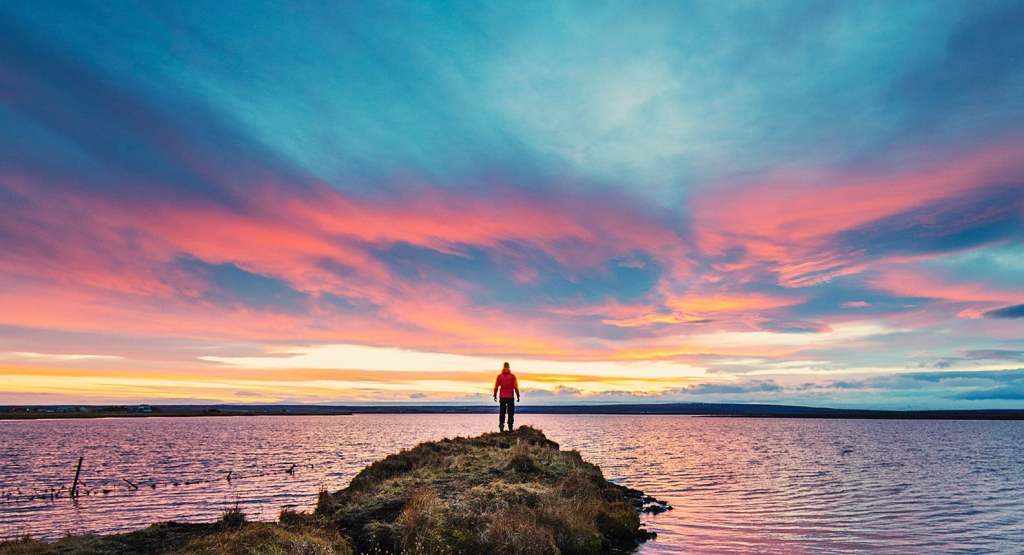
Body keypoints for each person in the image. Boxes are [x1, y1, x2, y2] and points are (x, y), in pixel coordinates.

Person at [493, 361, 520, 432]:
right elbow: (516, 387)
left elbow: (496, 387)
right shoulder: (512, 376)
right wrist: (518, 396)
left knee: (502, 411)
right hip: (510, 396)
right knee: (510, 412)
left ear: (503, 367)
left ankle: (501, 425)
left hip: (502, 396)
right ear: (509, 367)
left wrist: (494, 395)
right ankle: (510, 427)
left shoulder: (499, 376)